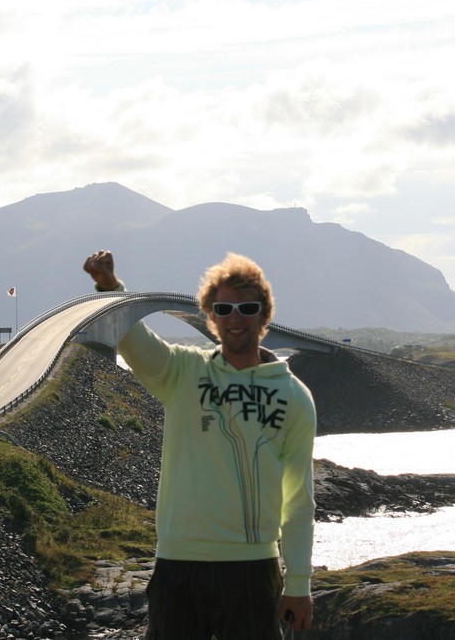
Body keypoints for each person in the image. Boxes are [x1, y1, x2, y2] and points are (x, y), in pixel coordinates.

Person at [83, 250, 316, 639]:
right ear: (211, 316)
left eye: (247, 308)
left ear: (265, 315)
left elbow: (299, 500)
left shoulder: (293, 395)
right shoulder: (183, 372)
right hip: (177, 566)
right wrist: (111, 286)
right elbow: (133, 339)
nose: (235, 318)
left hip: (251, 567)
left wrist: (300, 584)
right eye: (223, 308)